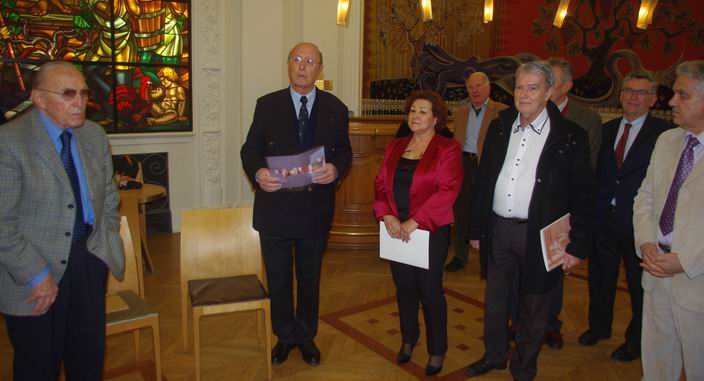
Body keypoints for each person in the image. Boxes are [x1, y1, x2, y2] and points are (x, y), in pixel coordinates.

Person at [465, 61, 594, 380]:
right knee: (495, 302)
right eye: (519, 87)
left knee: (534, 307)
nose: (522, 94)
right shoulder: (500, 123)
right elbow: (484, 180)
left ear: (549, 92)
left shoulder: (569, 135)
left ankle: (524, 367)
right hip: (498, 231)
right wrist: (476, 228)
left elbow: (584, 194)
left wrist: (577, 247)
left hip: (540, 236)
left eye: (532, 88)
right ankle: (494, 355)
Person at [0, 61, 124, 380]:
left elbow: (109, 195)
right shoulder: (10, 141)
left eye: (83, 93)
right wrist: (35, 273)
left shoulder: (93, 135)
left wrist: (103, 246)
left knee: (87, 358)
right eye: (68, 94)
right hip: (35, 268)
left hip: (88, 258)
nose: (80, 102)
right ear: (39, 98)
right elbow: (2, 222)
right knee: (38, 363)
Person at [240, 42, 352, 366]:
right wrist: (259, 172)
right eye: (297, 60)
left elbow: (344, 152)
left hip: (314, 209)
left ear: (320, 70)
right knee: (278, 278)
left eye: (311, 61)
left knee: (309, 277)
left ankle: (306, 337)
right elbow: (249, 150)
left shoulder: (336, 108)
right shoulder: (267, 105)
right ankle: (284, 337)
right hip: (275, 209)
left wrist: (336, 169)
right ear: (288, 65)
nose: (303, 66)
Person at [578, 70, 672, 361]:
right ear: (620, 96)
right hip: (604, 220)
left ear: (653, 99)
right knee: (600, 278)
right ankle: (599, 327)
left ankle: (636, 340)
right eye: (629, 91)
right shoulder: (605, 130)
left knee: (638, 286)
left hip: (640, 225)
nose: (633, 97)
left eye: (641, 92)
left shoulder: (664, 135)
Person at [373, 90, 462, 376]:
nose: (415, 116)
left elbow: (447, 191)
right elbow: (380, 184)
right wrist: (386, 214)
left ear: (436, 118)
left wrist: (414, 222)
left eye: (422, 111)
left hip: (428, 230)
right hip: (394, 228)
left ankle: (438, 350)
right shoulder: (396, 145)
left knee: (430, 291)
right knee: (405, 288)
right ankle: (409, 338)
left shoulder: (448, 148)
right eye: (412, 110)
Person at [633, 60, 704, 380]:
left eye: (683, 95)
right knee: (658, 367)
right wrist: (646, 242)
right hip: (656, 273)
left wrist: (686, 260)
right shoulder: (667, 141)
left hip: (697, 282)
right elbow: (645, 197)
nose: (672, 101)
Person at [542, 57, 603, 349]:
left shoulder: (586, 119)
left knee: (554, 272)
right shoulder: (528, 113)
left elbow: (585, 174)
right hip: (529, 209)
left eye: (551, 81)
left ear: (567, 85)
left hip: (561, 211)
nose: (546, 86)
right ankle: (522, 321)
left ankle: (551, 325)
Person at [445, 72, 508, 275]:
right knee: (461, 211)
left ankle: (487, 261)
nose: (475, 90)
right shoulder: (460, 112)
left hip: (487, 165)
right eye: (471, 86)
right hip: (464, 163)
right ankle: (460, 256)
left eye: (479, 85)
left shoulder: (502, 111)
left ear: (488, 88)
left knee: (485, 211)